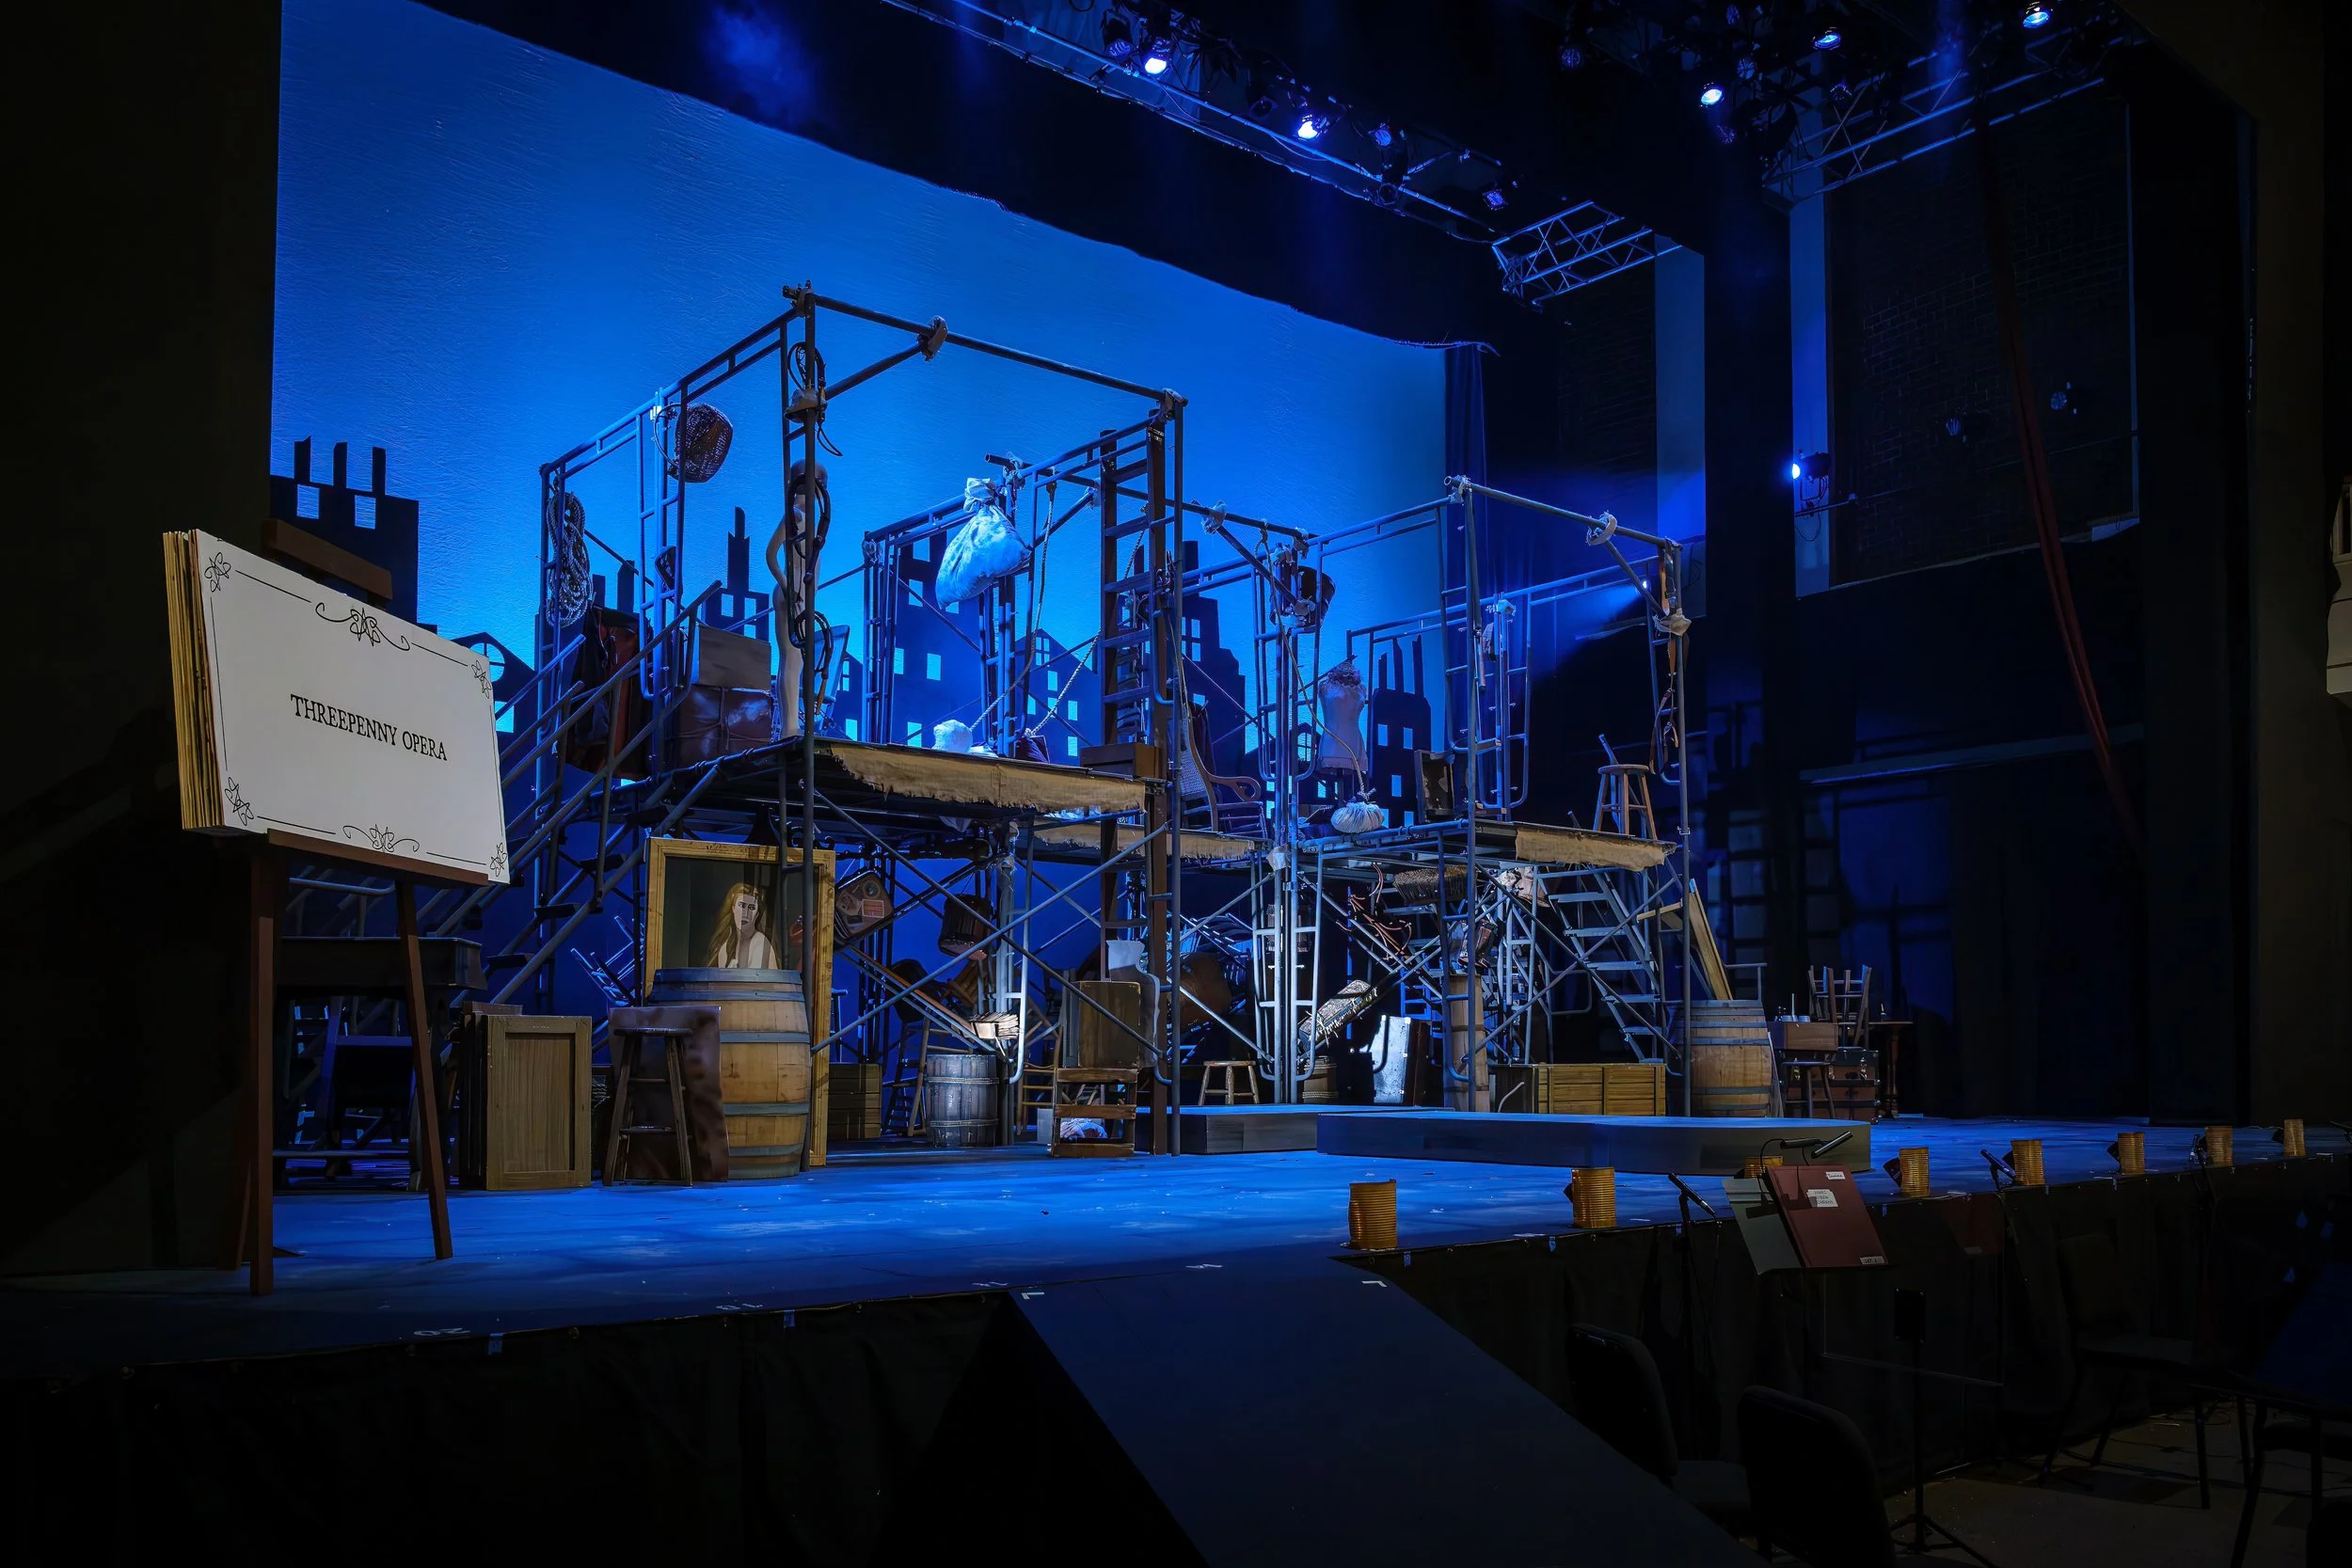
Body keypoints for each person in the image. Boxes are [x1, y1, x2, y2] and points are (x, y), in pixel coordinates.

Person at [765, 456, 831, 739]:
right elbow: (770, 554)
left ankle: (790, 725)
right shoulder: (795, 515)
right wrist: (787, 587)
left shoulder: (810, 518)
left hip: (801, 593)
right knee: (791, 660)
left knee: (795, 661)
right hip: (792, 593)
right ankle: (788, 728)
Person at [705, 880, 780, 969]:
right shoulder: (727, 944)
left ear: (757, 914)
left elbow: (753, 977)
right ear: (733, 908)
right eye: (742, 905)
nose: (745, 913)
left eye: (751, 908)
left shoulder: (760, 944)